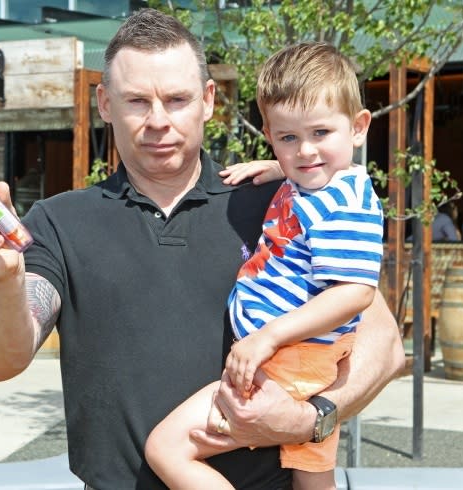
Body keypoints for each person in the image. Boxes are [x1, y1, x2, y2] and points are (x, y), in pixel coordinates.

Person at [0, 9, 403, 489]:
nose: (158, 121)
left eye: (177, 99)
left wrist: (311, 420)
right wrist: (2, 280)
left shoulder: (281, 201)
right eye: (137, 101)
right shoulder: (59, 222)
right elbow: (1, 360)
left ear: (207, 100)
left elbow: (382, 342)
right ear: (104, 103)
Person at [145, 42, 383, 490]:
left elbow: (355, 291)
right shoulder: (319, 184)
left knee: (167, 448)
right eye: (289, 137)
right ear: (270, 135)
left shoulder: (345, 205)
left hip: (287, 361)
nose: (306, 151)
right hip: (304, 359)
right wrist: (279, 168)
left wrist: (265, 338)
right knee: (311, 481)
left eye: (320, 134)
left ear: (358, 127)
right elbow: (307, 164)